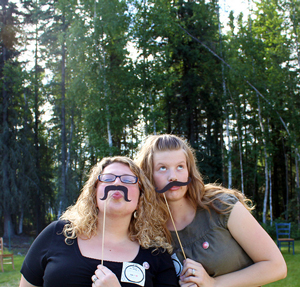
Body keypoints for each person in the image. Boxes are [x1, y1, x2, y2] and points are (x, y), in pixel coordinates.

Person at [135, 134, 287, 287]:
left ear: (189, 170)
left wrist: (213, 283)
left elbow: (276, 266)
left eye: (180, 166)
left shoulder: (220, 205)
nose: (173, 176)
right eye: (162, 168)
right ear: (148, 175)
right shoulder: (148, 230)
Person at [19, 156, 179, 287]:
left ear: (140, 200)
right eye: (108, 178)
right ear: (94, 194)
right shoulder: (59, 233)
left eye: (128, 180)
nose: (116, 183)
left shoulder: (156, 254)